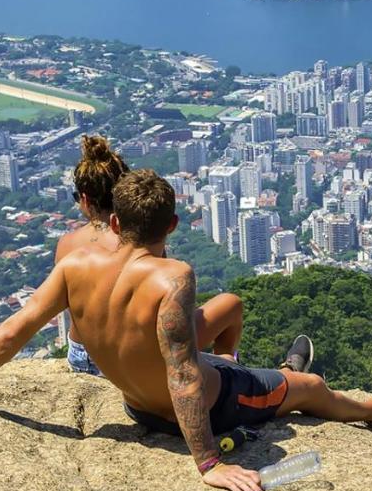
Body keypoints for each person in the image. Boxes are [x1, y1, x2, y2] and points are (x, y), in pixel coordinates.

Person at [0, 169, 372, 491]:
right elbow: (184, 375)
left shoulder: (75, 266)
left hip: (137, 408)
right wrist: (208, 462)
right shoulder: (172, 276)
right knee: (312, 390)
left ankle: (283, 378)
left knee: (246, 372)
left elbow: (16, 328)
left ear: (113, 223)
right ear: (175, 225)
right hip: (214, 407)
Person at [59, 135, 243, 376]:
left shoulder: (66, 244)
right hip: (132, 360)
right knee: (230, 305)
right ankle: (226, 365)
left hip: (81, 356)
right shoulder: (138, 241)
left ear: (84, 199)